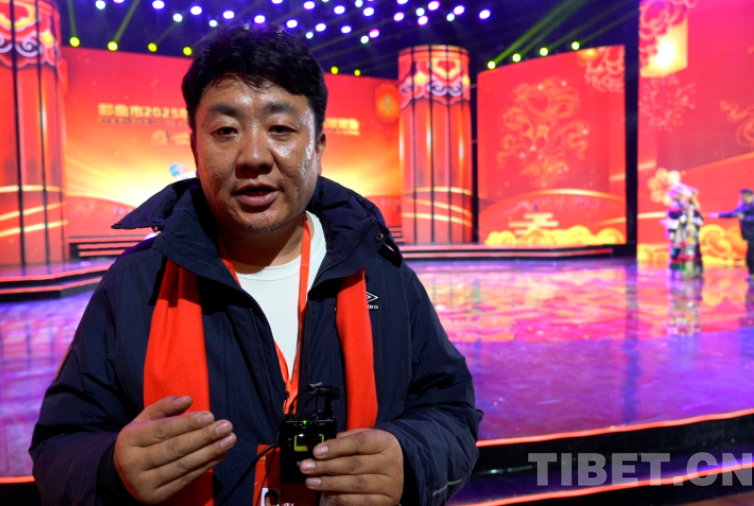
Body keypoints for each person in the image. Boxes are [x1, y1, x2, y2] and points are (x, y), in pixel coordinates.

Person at [29, 24, 481, 506]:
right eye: (226, 131)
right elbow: (60, 444)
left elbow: (450, 411)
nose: (253, 157)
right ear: (195, 148)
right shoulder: (137, 284)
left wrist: (410, 460)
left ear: (319, 147)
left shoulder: (382, 276)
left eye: (280, 129)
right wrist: (110, 471)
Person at [710, 189, 754, 282]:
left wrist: (744, 218)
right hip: (749, 234)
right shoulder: (744, 206)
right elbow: (733, 213)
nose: (741, 198)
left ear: (748, 196)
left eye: (742, 196)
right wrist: (718, 215)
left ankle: (753, 273)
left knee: (752, 254)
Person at [661, 183, 703, 278]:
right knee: (676, 252)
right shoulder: (676, 205)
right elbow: (675, 215)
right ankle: (675, 271)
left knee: (685, 252)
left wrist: (687, 218)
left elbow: (689, 217)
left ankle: (685, 271)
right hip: (677, 232)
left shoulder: (687, 205)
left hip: (686, 233)